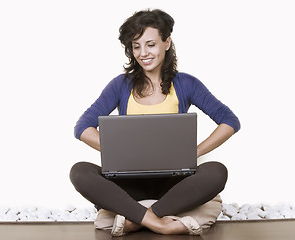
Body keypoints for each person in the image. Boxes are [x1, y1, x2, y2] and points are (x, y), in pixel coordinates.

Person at [70, 9, 240, 236]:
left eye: (150, 44)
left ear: (167, 42)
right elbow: (82, 127)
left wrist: (193, 152)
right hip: (130, 183)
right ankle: (159, 222)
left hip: (174, 183)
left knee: (217, 171)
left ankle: (136, 219)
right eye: (136, 46)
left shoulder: (186, 84)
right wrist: (118, 153)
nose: (143, 53)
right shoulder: (120, 85)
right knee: (79, 171)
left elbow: (229, 121)